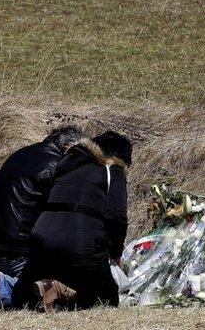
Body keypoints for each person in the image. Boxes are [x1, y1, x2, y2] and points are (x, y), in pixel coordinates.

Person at [12, 131, 132, 311]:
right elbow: (116, 215)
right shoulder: (112, 170)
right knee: (107, 299)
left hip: (41, 237)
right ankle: (62, 292)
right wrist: (115, 252)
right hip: (80, 241)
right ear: (118, 157)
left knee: (26, 297)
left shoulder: (67, 166)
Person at [0, 125, 86, 310]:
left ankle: (3, 284)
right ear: (69, 148)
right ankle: (1, 288)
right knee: (67, 289)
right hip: (15, 249)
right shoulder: (59, 166)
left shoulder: (22, 153)